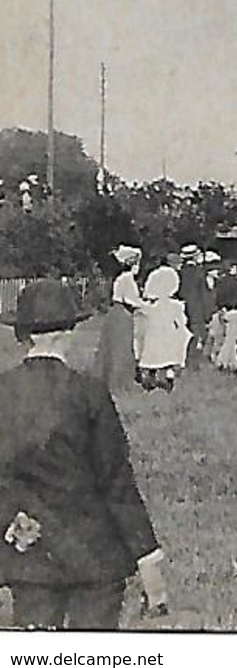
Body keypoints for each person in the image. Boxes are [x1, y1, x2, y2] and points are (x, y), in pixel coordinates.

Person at [0, 280, 169, 629]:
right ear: (69, 333)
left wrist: (10, 521)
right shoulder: (89, 393)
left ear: (24, 336)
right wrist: (147, 555)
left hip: (30, 553)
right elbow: (116, 481)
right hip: (95, 555)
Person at [94, 245, 142, 394]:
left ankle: (113, 381)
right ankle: (122, 383)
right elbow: (132, 300)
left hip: (116, 313)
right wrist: (148, 304)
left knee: (113, 347)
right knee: (122, 348)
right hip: (123, 314)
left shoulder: (121, 278)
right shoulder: (127, 279)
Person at [133, 269, 189, 392]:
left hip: (154, 335)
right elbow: (181, 321)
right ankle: (169, 380)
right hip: (168, 335)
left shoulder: (151, 307)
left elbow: (141, 315)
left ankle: (151, 378)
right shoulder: (175, 305)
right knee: (169, 358)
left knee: (153, 356)